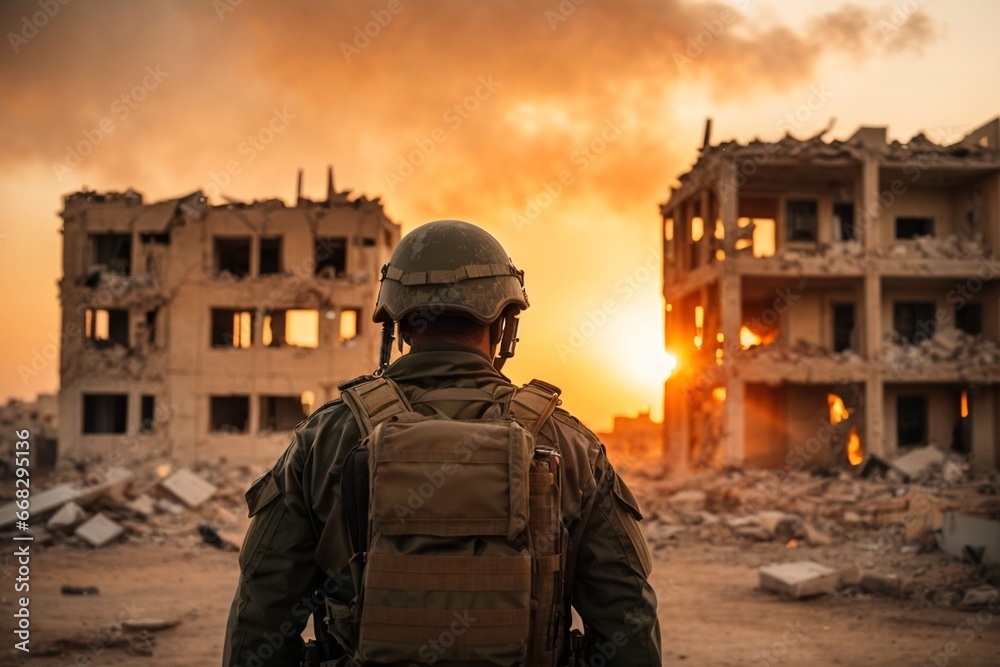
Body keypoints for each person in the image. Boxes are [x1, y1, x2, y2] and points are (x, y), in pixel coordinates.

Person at [223, 220, 661, 666]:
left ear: (400, 326)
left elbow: (261, 613)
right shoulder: (570, 445)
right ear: (504, 321)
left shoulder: (325, 438)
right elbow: (627, 622)